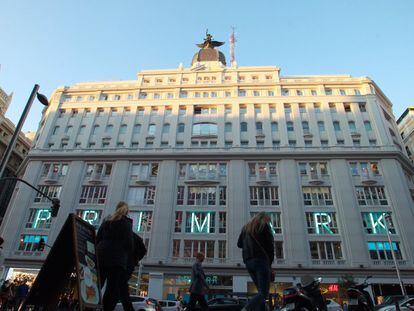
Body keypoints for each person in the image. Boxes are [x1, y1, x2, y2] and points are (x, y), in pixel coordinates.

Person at [97, 201, 134, 311]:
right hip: (116, 260)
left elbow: (98, 238)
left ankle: (88, 306)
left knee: (97, 285)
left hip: (101, 256)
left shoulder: (106, 222)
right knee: (111, 289)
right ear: (127, 211)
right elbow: (129, 244)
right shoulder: (126, 223)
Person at [237, 212, 274, 311]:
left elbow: (239, 244)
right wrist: (270, 263)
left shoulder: (246, 228)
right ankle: (246, 308)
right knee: (263, 293)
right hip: (261, 260)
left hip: (248, 262)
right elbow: (271, 246)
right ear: (265, 218)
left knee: (261, 292)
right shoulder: (264, 226)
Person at [119, 232, 147, 311]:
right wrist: (135, 260)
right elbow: (143, 250)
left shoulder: (109, 228)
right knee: (121, 289)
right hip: (125, 265)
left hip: (119, 265)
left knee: (119, 289)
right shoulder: (134, 236)